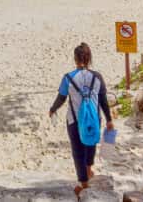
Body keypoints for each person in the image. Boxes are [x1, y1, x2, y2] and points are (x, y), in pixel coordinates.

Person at [48, 42, 114, 196]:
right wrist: (109, 119)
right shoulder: (97, 77)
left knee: (78, 150)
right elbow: (103, 100)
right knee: (90, 142)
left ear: (75, 59)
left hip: (74, 119)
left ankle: (83, 183)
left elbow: (61, 98)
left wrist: (52, 109)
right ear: (89, 58)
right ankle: (89, 170)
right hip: (94, 118)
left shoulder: (68, 78)